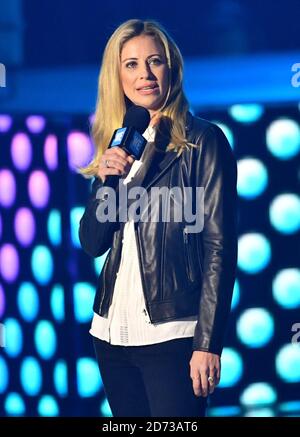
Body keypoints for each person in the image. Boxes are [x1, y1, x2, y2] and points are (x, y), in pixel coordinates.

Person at [78, 19, 238, 417]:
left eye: (155, 62)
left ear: (172, 69)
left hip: (174, 335)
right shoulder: (116, 145)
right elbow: (92, 242)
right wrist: (107, 182)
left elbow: (220, 248)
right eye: (131, 64)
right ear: (117, 75)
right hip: (111, 336)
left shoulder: (203, 141)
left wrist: (207, 343)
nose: (145, 75)